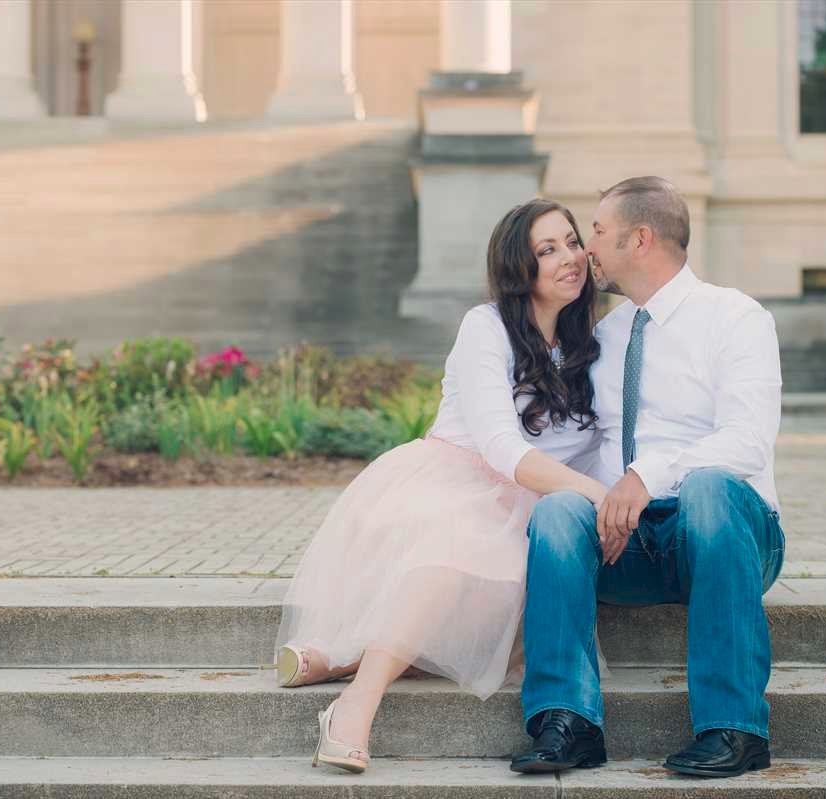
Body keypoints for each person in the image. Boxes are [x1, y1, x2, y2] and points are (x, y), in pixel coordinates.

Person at [272, 198, 610, 774]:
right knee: (453, 558)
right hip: (453, 482)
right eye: (546, 250)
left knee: (514, 607)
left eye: (573, 242)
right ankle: (353, 706)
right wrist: (601, 497)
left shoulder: (592, 343)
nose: (569, 258)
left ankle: (344, 656)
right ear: (517, 268)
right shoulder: (488, 327)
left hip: (529, 504)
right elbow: (502, 450)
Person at [511, 176, 786, 778]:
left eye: (598, 234)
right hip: (628, 543)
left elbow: (747, 439)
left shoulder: (736, 318)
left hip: (726, 535)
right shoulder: (605, 336)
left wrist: (646, 475)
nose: (587, 251)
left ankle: (734, 729)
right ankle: (568, 723)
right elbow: (577, 443)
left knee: (710, 487)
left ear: (640, 240)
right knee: (558, 509)